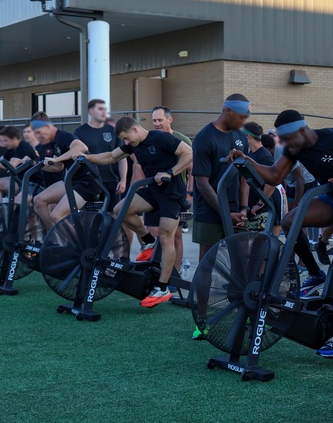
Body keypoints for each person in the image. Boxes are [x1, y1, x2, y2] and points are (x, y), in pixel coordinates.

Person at [228, 109, 333, 358]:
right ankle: (315, 274)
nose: (286, 146)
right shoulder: (294, 148)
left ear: (303, 130)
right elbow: (275, 176)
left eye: (288, 140)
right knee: (289, 221)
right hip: (332, 199)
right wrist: (248, 160)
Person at [78, 116, 193, 308]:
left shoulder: (161, 138)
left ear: (134, 130)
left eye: (127, 138)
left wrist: (170, 172)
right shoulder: (133, 145)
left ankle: (162, 288)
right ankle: (148, 241)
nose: (126, 143)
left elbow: (188, 153)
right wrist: (87, 157)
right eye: (124, 140)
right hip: (153, 190)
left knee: (166, 237)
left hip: (172, 193)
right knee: (120, 209)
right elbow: (111, 157)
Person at [191, 95, 250, 258]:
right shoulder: (204, 138)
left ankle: (235, 285)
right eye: (241, 117)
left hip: (236, 212)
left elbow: (244, 174)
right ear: (228, 111)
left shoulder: (240, 136)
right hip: (210, 213)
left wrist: (244, 208)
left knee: (241, 261)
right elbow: (202, 183)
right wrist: (225, 213)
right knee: (207, 263)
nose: (243, 122)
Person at [140, 106, 193, 273]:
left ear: (169, 120)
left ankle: (176, 274)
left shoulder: (181, 139)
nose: (156, 123)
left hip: (175, 194)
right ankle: (156, 271)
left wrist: (189, 194)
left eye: (160, 120)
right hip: (155, 192)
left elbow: (192, 168)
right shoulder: (150, 138)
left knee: (175, 236)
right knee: (153, 232)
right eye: (154, 120)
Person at [30, 116, 101, 231]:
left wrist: (56, 159)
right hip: (72, 181)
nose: (38, 136)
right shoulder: (53, 143)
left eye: (38, 132)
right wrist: (34, 164)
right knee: (39, 201)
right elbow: (58, 167)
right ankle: (54, 238)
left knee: (56, 216)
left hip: (88, 183)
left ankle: (75, 245)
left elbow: (81, 147)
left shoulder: (63, 136)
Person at [74, 99, 128, 203]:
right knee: (91, 216)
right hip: (89, 182)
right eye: (100, 109)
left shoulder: (113, 131)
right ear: (91, 111)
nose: (104, 112)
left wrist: (123, 180)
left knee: (113, 214)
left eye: (105, 109)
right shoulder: (80, 132)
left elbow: (122, 158)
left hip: (111, 181)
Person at [0, 125, 37, 205]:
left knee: (14, 205)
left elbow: (11, 166)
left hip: (32, 183)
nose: (4, 144)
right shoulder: (11, 148)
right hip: (19, 180)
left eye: (6, 141)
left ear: (13, 139)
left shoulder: (23, 148)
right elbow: (1, 160)